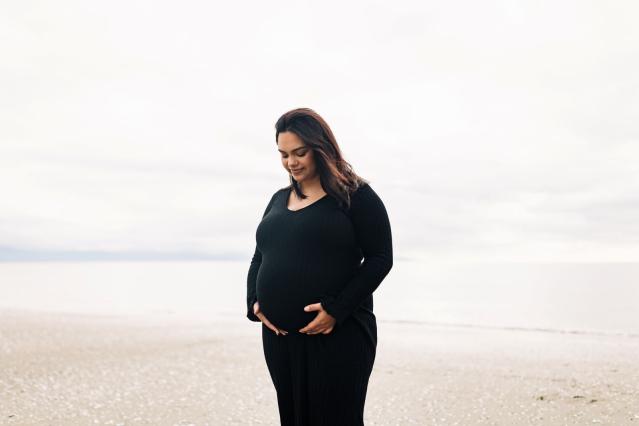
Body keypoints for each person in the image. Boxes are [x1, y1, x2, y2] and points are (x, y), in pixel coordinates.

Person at [246, 107, 393, 426]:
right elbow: (261, 255)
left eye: (300, 152)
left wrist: (337, 309)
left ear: (321, 148)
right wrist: (254, 303)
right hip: (280, 338)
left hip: (337, 334)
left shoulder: (356, 196)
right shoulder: (277, 199)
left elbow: (381, 258)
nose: (291, 162)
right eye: (283, 154)